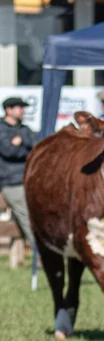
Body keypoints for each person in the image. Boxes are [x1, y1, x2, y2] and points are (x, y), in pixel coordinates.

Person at [0, 96, 36, 249]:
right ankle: (42, 254)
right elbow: (9, 151)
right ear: (8, 110)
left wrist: (21, 142)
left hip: (29, 180)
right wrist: (25, 148)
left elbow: (37, 146)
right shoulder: (2, 129)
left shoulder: (23, 129)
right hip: (11, 181)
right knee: (29, 218)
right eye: (19, 107)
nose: (23, 110)